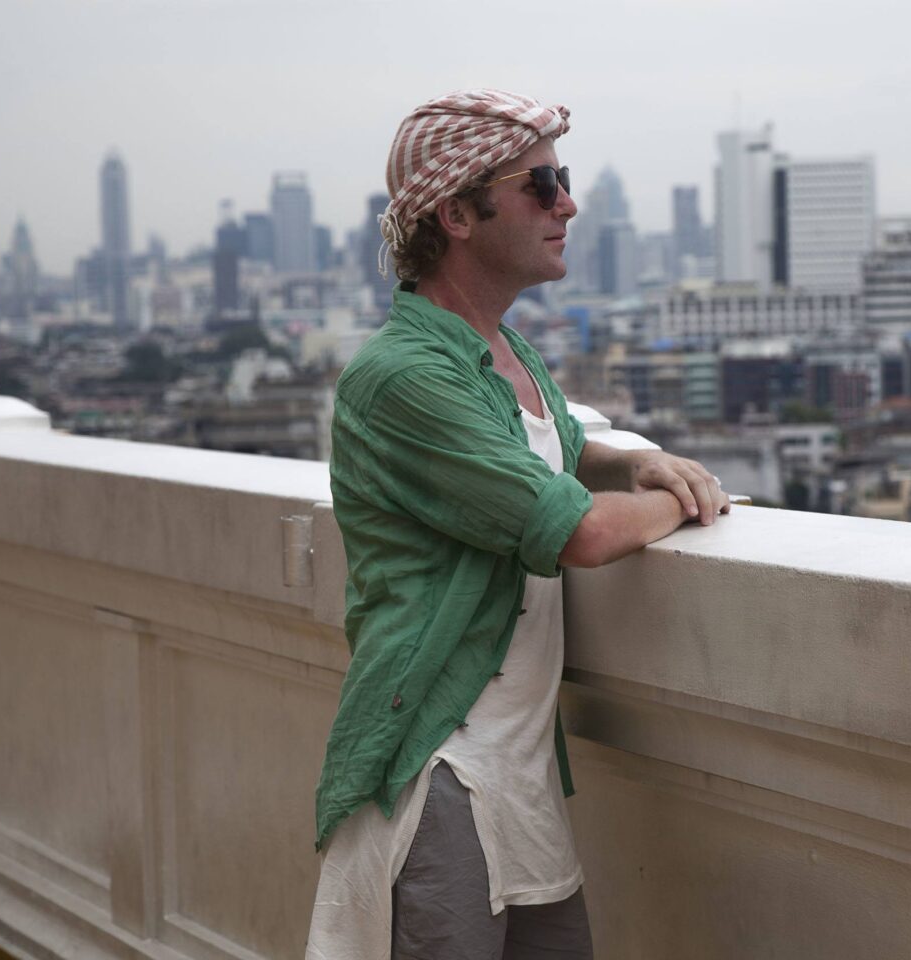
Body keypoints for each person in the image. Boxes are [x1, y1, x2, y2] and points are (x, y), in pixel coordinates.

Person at [306, 89, 729, 960]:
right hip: (441, 764)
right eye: (541, 184)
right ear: (457, 214)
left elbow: (555, 449)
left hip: (520, 768)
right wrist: (686, 499)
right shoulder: (400, 378)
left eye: (561, 180)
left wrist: (633, 462)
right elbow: (580, 534)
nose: (566, 203)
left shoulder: (502, 351)